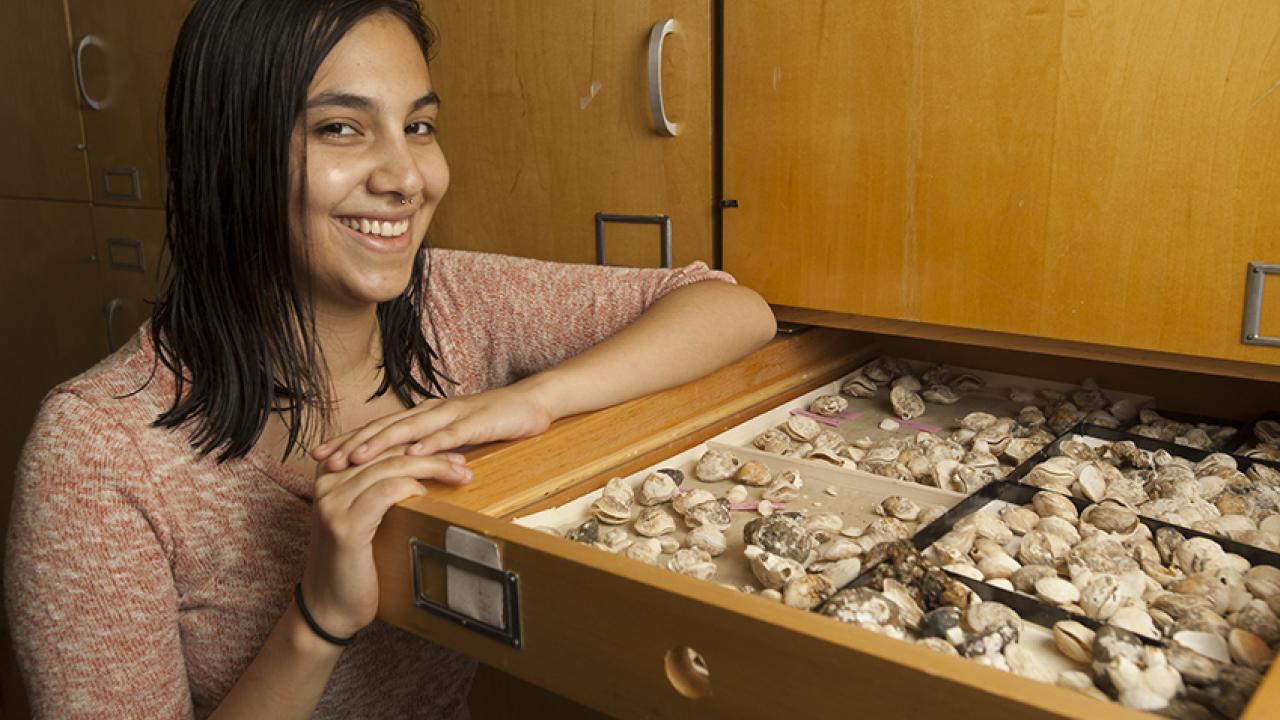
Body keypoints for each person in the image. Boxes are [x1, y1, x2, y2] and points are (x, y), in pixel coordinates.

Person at [4, 0, 774, 718]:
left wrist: (538, 396)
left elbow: (734, 310)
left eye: (419, 126)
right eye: (341, 128)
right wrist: (318, 618)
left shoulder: (454, 300)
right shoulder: (96, 453)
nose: (407, 178)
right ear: (228, 150)